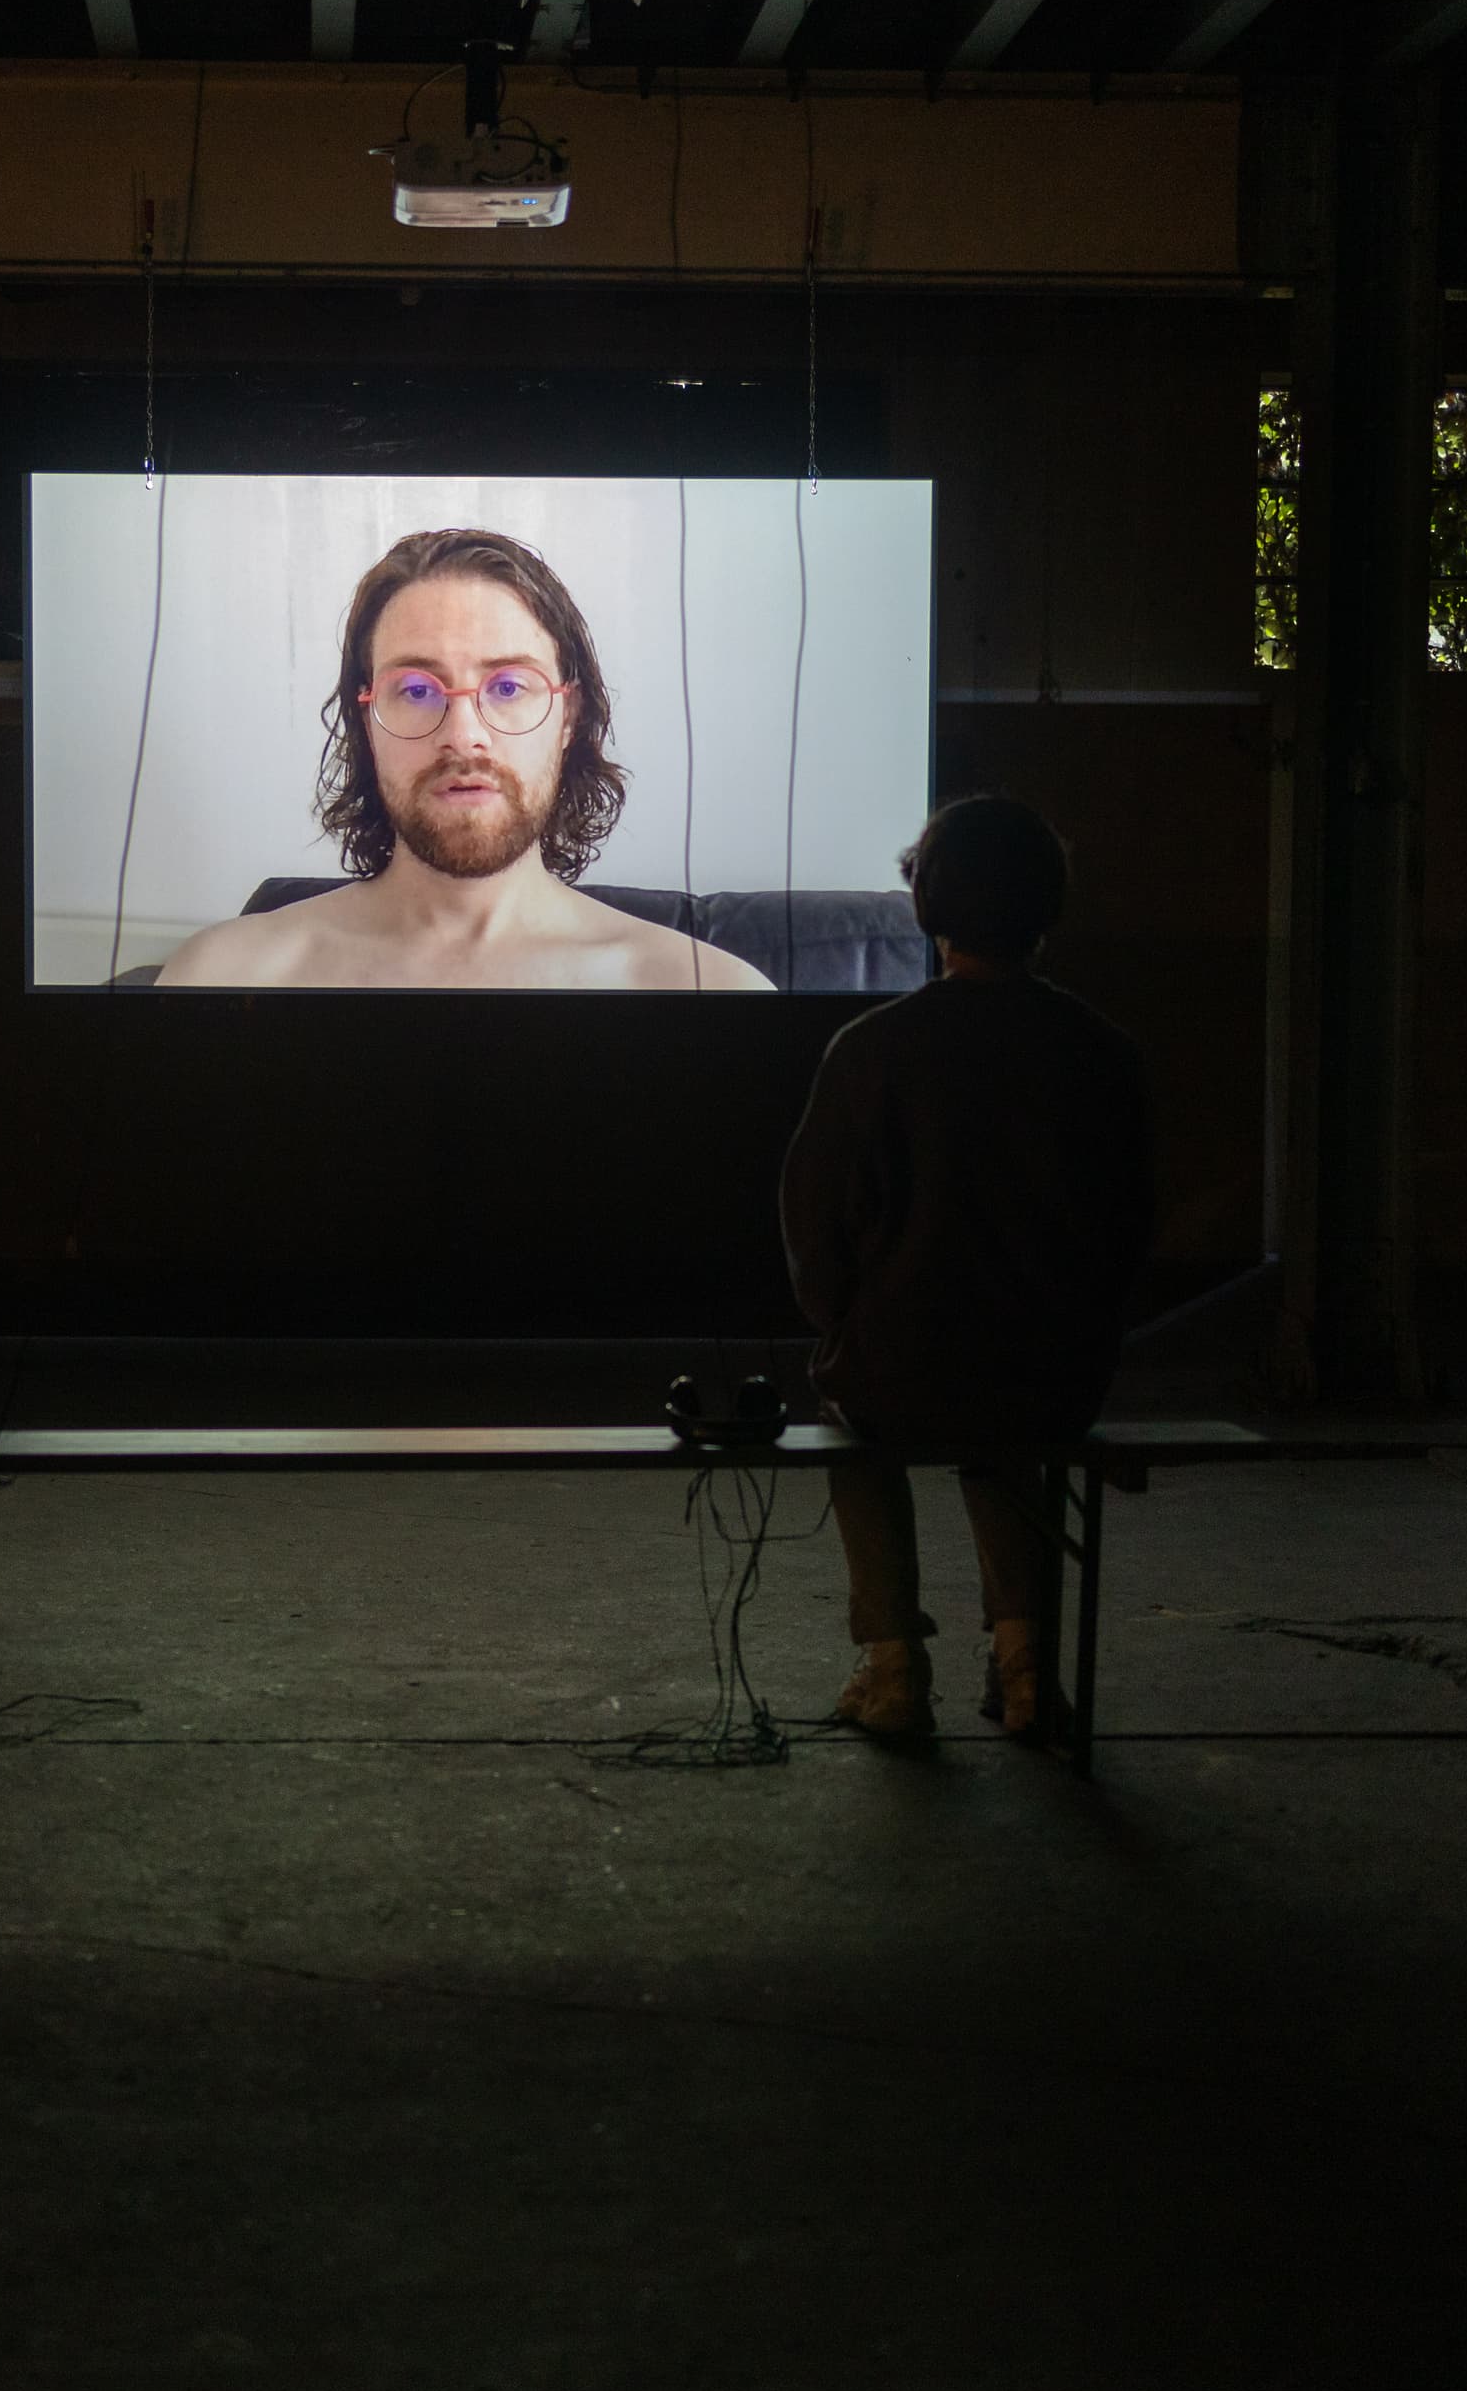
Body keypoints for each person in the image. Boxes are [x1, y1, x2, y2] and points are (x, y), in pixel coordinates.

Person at [778, 794, 1154, 1741]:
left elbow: (812, 1223)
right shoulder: (1103, 1054)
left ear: (928, 908)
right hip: (1051, 1378)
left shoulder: (871, 1051)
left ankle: (894, 1667)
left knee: (848, 1417)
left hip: (900, 1368)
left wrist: (846, 1327)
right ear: (1047, 910)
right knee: (1005, 1427)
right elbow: (1129, 1228)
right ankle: (1026, 1670)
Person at [155, 526, 775, 992]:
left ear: (570, 716)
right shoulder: (221, 978)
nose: (464, 735)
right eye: (417, 691)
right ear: (366, 719)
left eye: (508, 687)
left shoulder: (709, 995)